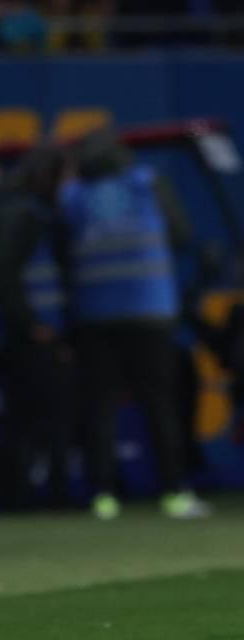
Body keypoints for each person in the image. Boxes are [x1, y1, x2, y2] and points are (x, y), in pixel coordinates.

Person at [58, 127, 210, 520]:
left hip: (95, 315)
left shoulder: (74, 195)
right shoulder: (147, 183)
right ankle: (174, 492)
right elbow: (182, 233)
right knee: (160, 404)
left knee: (100, 407)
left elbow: (63, 247)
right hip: (150, 311)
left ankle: (103, 497)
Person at [0, 146, 75, 510]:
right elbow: (1, 274)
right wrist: (33, 325)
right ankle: (34, 498)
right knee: (33, 421)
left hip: (20, 334)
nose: (72, 185)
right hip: (23, 337)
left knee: (26, 421)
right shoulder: (24, 215)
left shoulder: (23, 213)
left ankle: (21, 497)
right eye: (67, 177)